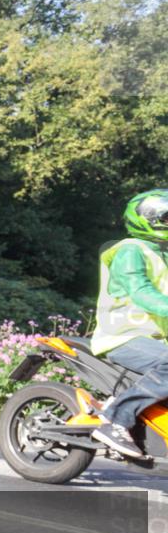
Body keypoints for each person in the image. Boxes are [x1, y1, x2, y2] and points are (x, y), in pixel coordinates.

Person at [90, 189, 168, 458]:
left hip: (154, 341)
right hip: (122, 337)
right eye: (167, 218)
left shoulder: (162, 254)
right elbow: (141, 291)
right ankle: (116, 420)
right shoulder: (130, 251)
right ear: (147, 219)